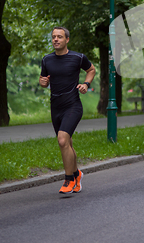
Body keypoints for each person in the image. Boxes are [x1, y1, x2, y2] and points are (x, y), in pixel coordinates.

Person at [39, 27, 96, 194]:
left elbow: (91, 70)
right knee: (67, 143)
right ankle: (77, 174)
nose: (56, 39)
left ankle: (68, 179)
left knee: (62, 140)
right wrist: (43, 82)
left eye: (60, 37)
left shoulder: (78, 57)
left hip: (72, 105)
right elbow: (44, 81)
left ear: (67, 40)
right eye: (54, 37)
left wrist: (86, 84)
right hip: (55, 106)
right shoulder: (47, 60)